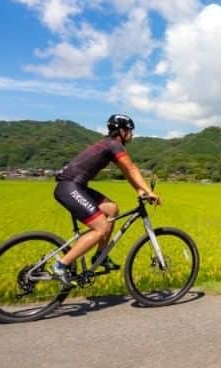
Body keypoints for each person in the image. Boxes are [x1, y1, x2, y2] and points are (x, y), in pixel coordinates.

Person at [50, 114, 160, 286]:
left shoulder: (109, 145)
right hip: (69, 187)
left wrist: (139, 189)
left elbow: (127, 172)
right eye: (130, 130)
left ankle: (100, 256)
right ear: (121, 131)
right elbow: (131, 168)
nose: (132, 134)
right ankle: (60, 265)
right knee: (102, 227)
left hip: (75, 187)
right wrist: (149, 191)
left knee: (111, 209)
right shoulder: (114, 145)